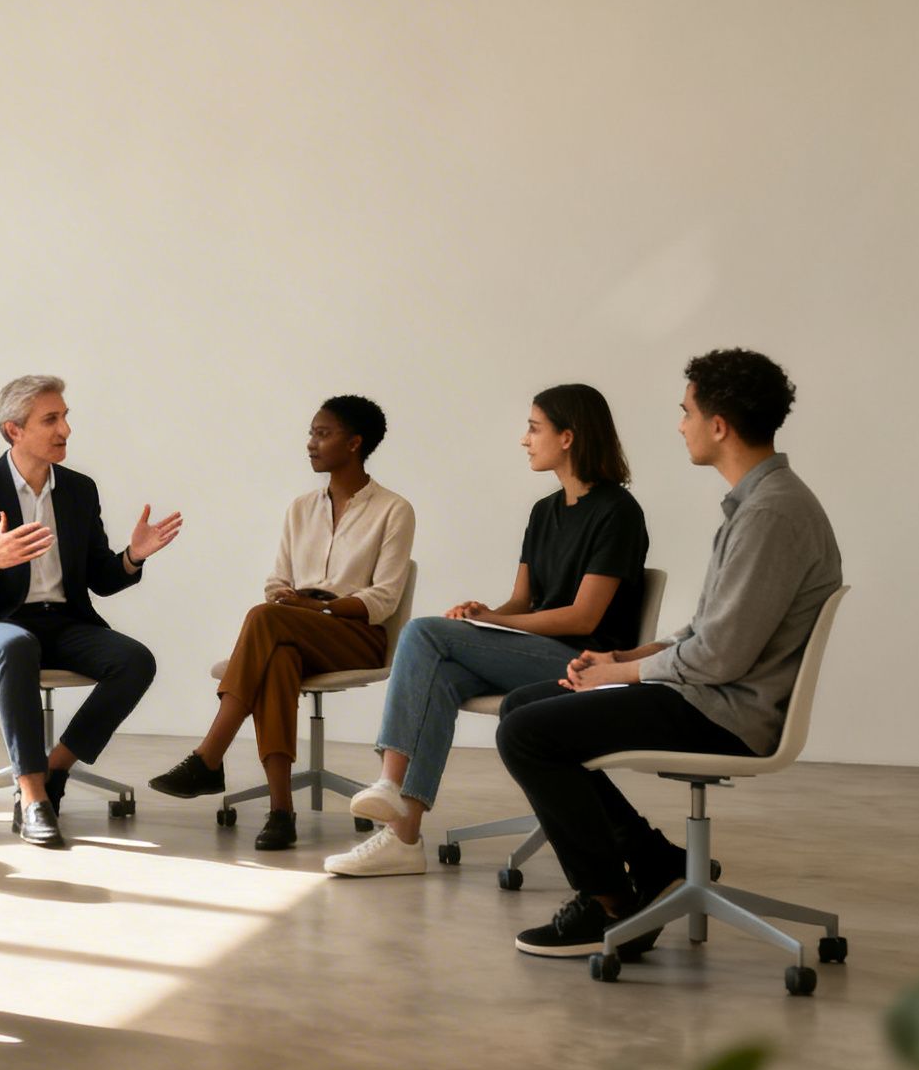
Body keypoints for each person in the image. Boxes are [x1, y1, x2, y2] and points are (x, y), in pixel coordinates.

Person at [497, 349, 840, 959]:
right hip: (711, 691)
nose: (679, 424)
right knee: (525, 706)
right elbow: (710, 631)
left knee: (528, 733)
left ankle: (605, 903)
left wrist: (623, 670)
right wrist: (629, 655)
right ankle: (657, 862)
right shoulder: (758, 504)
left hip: (723, 710)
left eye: (686, 412)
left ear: (719, 425)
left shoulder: (769, 514)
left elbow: (720, 658)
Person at [320, 384, 651, 877]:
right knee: (443, 675)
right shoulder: (544, 513)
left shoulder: (617, 513)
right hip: (534, 652)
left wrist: (497, 623)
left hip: (586, 662)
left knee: (423, 634)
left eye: (534, 428)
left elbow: (583, 619)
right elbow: (521, 602)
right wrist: (486, 612)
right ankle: (403, 839)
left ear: (568, 437)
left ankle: (390, 783)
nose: (524, 439)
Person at [146, 396, 414, 851]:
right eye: (311, 433)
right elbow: (278, 579)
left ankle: (209, 756)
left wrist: (317, 609)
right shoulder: (300, 508)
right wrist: (287, 599)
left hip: (356, 634)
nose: (311, 443)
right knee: (279, 657)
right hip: (290, 625)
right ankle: (281, 812)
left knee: (264, 619)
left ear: (354, 443)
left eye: (323, 434)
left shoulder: (394, 510)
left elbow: (384, 600)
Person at [0, 375, 183, 848]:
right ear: (14, 430)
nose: (65, 430)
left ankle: (54, 770)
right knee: (17, 645)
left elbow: (101, 578)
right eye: (51, 419)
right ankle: (31, 798)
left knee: (136, 660)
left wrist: (133, 556)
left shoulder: (78, 490)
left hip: (63, 620)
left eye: (65, 417)